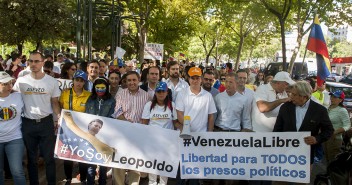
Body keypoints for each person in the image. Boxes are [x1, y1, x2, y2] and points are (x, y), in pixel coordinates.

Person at [13, 51, 61, 185]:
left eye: (36, 61)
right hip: (27, 123)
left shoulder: (51, 81)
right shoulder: (21, 81)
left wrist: (57, 118)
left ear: (42, 62)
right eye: (31, 61)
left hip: (46, 123)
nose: (33, 64)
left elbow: (55, 102)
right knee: (31, 159)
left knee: (49, 158)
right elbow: (14, 100)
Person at [273, 81, 334, 185]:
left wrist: (317, 139)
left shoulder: (320, 110)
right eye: (290, 94)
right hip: (283, 154)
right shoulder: (285, 107)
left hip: (305, 156)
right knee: (280, 182)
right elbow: (277, 130)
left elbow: (329, 130)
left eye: (294, 95)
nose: (291, 97)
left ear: (304, 96)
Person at [175, 67, 217, 185]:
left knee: (196, 167)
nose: (195, 80)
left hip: (201, 137)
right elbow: (179, 114)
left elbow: (211, 117)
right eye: (192, 78)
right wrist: (187, 127)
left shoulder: (207, 96)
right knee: (182, 165)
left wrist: (209, 134)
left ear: (201, 79)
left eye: (197, 78)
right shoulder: (182, 94)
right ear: (188, 79)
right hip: (185, 136)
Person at [112, 71, 150, 185]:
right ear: (125, 82)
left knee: (135, 162)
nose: (132, 82)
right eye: (129, 80)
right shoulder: (121, 94)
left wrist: (138, 129)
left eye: (134, 80)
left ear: (139, 81)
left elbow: (148, 116)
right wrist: (129, 126)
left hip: (139, 134)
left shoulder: (146, 96)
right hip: (123, 132)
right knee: (119, 162)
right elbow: (117, 113)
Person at [141, 82, 177, 185]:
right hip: (153, 141)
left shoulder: (172, 105)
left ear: (167, 92)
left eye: (163, 91)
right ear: (155, 93)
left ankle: (162, 183)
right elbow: (144, 122)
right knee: (153, 163)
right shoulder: (149, 105)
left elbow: (175, 122)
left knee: (164, 164)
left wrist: (186, 128)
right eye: (159, 91)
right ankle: (152, 182)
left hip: (167, 141)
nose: (161, 94)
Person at [59, 70, 91, 185]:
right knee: (67, 156)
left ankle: (83, 179)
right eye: (77, 80)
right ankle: (68, 178)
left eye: (82, 81)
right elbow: (60, 106)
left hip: (83, 130)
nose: (79, 83)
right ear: (73, 80)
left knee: (82, 155)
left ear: (84, 83)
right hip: (67, 129)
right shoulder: (65, 93)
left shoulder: (89, 95)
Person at [85, 77, 116, 185]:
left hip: (105, 134)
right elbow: (86, 115)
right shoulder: (90, 99)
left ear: (106, 88)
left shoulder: (111, 100)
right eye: (97, 88)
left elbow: (112, 116)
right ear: (94, 88)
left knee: (103, 162)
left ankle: (102, 182)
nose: (100, 90)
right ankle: (90, 182)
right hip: (92, 134)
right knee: (91, 161)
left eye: (102, 88)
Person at [0, 72, 26, 184]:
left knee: (17, 171)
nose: (10, 86)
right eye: (5, 83)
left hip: (15, 139)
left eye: (11, 82)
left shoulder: (18, 96)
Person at [323, 90, 350, 163]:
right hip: (326, 137)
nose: (332, 98)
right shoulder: (328, 108)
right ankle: (328, 174)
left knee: (333, 160)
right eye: (331, 96)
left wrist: (335, 132)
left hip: (335, 139)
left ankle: (332, 174)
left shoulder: (342, 110)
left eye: (335, 97)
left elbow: (347, 125)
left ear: (340, 100)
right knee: (327, 158)